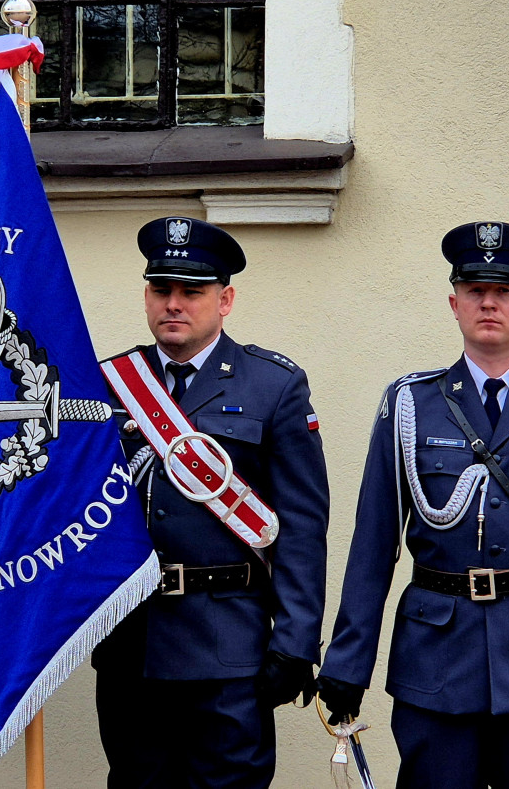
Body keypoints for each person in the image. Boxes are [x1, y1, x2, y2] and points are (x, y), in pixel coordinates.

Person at [318, 221, 509, 788]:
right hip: (436, 657)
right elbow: (373, 543)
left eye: (505, 291)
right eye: (475, 290)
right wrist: (347, 663)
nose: (489, 302)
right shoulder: (409, 403)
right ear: (454, 303)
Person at [92, 217, 330, 789]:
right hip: (133, 647)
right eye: (161, 289)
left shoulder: (272, 385)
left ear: (224, 299)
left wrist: (295, 641)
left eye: (191, 291)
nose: (174, 304)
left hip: (229, 646)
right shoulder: (108, 383)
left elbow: (300, 523)